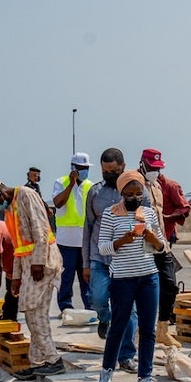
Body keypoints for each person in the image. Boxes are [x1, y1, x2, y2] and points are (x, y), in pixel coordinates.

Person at [0, 175, 64, 378]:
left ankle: (53, 360)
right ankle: (37, 362)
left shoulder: (26, 195)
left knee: (34, 314)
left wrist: (38, 262)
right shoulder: (10, 210)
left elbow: (41, 229)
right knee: (35, 314)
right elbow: (18, 246)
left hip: (42, 264)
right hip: (30, 266)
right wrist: (16, 277)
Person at [96, 170, 166, 382]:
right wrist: (121, 241)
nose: (135, 197)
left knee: (148, 330)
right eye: (130, 193)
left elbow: (162, 246)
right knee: (118, 326)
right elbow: (102, 248)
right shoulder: (110, 214)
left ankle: (145, 378)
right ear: (121, 192)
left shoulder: (148, 213)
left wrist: (151, 238)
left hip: (148, 278)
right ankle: (107, 372)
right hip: (123, 279)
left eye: (139, 193)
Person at [82, 148, 138, 368]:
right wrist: (85, 263)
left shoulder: (136, 190)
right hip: (99, 257)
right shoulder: (95, 193)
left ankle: (126, 356)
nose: (108, 175)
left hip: (126, 259)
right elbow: (87, 228)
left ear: (123, 167)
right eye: (105, 171)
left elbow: (147, 222)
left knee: (129, 310)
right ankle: (105, 319)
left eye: (113, 171)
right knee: (96, 298)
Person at [139, 148, 182, 348]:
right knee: (142, 290)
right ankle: (140, 332)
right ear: (143, 164)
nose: (155, 171)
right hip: (141, 247)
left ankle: (162, 329)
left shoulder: (156, 186)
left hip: (161, 244)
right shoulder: (135, 185)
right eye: (152, 167)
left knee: (170, 284)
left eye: (158, 168)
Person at [51, 153, 93, 311]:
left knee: (87, 278)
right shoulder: (61, 183)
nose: (84, 171)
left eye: (86, 168)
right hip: (66, 241)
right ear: (73, 168)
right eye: (81, 168)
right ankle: (65, 307)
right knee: (65, 278)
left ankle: (90, 307)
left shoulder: (91, 185)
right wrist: (71, 184)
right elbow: (58, 203)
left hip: (85, 242)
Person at [156, 154, 191, 246]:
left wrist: (169, 216)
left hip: (166, 232)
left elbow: (184, 208)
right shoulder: (142, 184)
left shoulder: (171, 186)